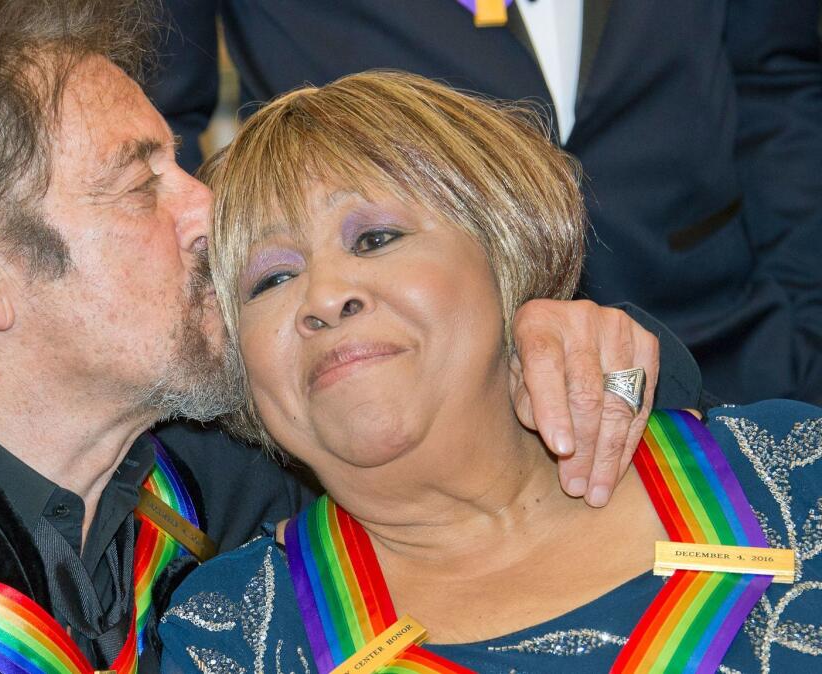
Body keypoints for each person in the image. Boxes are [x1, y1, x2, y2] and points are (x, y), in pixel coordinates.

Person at [0, 2, 691, 672]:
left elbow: (607, 429)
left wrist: (541, 344)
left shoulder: (240, 470)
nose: (209, 212)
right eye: (144, 179)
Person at [159, 71, 822, 673]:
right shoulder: (230, 637)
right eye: (271, 278)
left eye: (376, 239)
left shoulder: (790, 472)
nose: (326, 297)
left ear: (507, 245)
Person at [149, 0, 822, 405]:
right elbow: (155, 132)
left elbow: (775, 79)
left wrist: (806, 310)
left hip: (729, 342)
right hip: (404, 396)